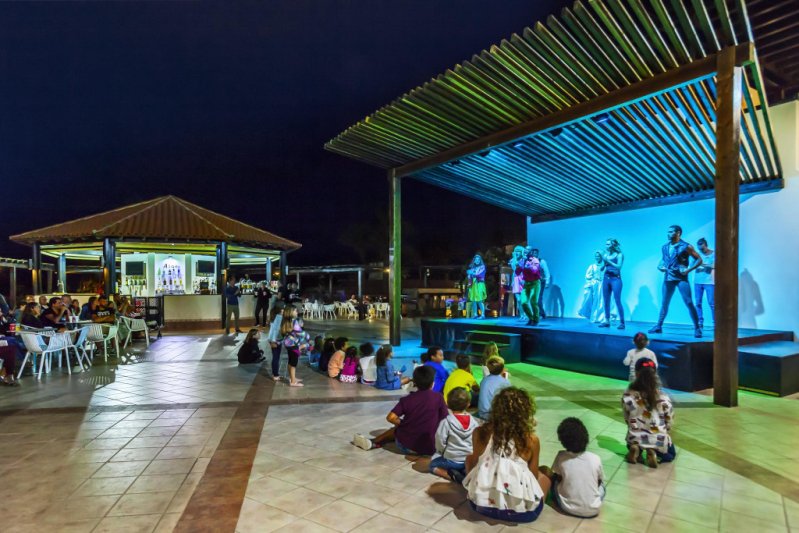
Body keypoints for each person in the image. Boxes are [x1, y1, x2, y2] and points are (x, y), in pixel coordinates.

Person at [464, 387, 550, 523]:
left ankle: (476, 492)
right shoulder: (531, 440)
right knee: (544, 478)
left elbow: (474, 464)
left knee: (470, 458)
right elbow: (533, 476)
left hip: (480, 506)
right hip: (523, 514)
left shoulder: (480, 432)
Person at [352, 365, 448, 455]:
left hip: (405, 447)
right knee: (403, 430)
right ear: (432, 383)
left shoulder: (407, 399)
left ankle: (374, 442)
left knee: (397, 430)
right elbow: (445, 419)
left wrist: (404, 424)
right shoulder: (438, 398)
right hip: (430, 448)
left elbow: (391, 417)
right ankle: (376, 442)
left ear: (415, 382)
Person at [543, 418, 605, 518]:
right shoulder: (595, 458)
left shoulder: (561, 457)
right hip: (594, 509)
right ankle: (589, 500)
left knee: (554, 480)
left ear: (563, 441)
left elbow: (557, 478)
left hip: (567, 508)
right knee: (602, 486)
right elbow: (598, 482)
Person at [649, 225, 703, 338]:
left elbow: (699, 259)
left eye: (671, 232)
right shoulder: (664, 247)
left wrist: (688, 270)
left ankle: (697, 328)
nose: (668, 234)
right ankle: (658, 326)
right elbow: (663, 260)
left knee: (688, 302)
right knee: (664, 302)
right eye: (667, 232)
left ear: (678, 233)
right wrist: (659, 266)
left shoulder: (686, 246)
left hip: (681, 278)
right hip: (668, 278)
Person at [622, 358, 676, 468]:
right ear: (655, 374)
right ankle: (654, 452)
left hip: (635, 436)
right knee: (671, 454)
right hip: (658, 438)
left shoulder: (628, 395)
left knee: (634, 438)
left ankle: (636, 449)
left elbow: (627, 418)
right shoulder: (663, 397)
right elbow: (669, 419)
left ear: (636, 374)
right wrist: (666, 429)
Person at [430, 388, 478, 483]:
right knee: (463, 466)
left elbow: (440, 440)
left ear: (447, 403)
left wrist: (441, 452)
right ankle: (464, 472)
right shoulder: (474, 422)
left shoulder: (446, 422)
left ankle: (452, 476)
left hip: (452, 459)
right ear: (468, 404)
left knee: (432, 465)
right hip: (468, 460)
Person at [599, 238, 625, 330]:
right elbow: (603, 267)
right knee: (606, 301)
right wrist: (602, 265)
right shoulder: (606, 255)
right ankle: (606, 321)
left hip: (616, 279)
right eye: (606, 244)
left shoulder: (619, 255)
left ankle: (622, 322)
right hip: (606, 279)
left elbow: (619, 267)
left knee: (617, 300)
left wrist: (608, 261)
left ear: (613, 245)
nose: (606, 246)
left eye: (608, 244)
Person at [280, 305, 309, 387]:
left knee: (290, 361)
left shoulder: (285, 320)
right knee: (293, 363)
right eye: (295, 311)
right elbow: (300, 332)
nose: (297, 312)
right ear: (291, 312)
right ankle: (293, 382)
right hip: (293, 344)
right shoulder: (294, 321)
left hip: (288, 344)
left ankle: (292, 378)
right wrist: (307, 337)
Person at [478, 356, 511, 420]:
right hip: (494, 415)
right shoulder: (505, 382)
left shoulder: (484, 380)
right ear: (502, 369)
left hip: (482, 413)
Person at [516, 248, 542, 326]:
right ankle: (531, 318)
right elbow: (517, 273)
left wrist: (528, 265)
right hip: (526, 284)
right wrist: (519, 266)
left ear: (530, 252)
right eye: (524, 251)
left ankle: (536, 319)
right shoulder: (522, 261)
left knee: (533, 301)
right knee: (523, 302)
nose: (525, 252)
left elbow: (535, 270)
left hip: (535, 283)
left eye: (527, 251)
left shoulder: (535, 260)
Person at [578, 252, 605, 323]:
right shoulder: (592, 266)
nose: (597, 258)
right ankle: (594, 317)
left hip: (603, 284)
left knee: (602, 301)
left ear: (601, 257)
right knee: (595, 300)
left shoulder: (604, 266)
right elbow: (588, 276)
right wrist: (591, 282)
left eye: (598, 256)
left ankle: (602, 317)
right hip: (595, 285)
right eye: (596, 256)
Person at [694, 238, 715, 329]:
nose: (701, 250)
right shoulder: (697, 254)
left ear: (706, 246)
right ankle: (700, 322)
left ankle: (715, 323)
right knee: (698, 303)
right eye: (699, 249)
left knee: (712, 303)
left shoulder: (714, 254)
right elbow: (691, 265)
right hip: (697, 282)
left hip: (709, 282)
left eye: (702, 248)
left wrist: (701, 264)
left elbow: (714, 266)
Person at [265, 304, 284, 381]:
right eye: (282, 309)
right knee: (276, 357)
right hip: (275, 339)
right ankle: (275, 374)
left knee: (276, 356)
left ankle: (275, 373)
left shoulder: (273, 317)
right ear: (279, 310)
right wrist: (273, 341)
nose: (284, 310)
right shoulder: (279, 317)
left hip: (273, 339)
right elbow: (275, 330)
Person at [466, 254, 487, 319]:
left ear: (480, 260)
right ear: (474, 260)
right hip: (473, 285)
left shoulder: (482, 267)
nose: (477, 260)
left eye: (478, 259)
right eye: (476, 259)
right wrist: (469, 276)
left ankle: (483, 315)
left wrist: (471, 273)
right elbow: (469, 277)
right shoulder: (472, 268)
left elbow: (479, 274)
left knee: (479, 300)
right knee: (473, 300)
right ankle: (475, 314)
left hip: (479, 284)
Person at [532, 249, 549, 320]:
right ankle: (539, 313)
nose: (534, 254)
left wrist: (547, 282)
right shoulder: (530, 262)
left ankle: (541, 314)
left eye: (535, 253)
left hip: (540, 282)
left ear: (537, 254)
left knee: (538, 299)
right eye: (532, 253)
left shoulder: (542, 261)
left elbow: (546, 272)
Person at [508, 246, 525, 320]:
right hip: (516, 280)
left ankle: (526, 315)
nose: (517, 253)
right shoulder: (513, 261)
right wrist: (512, 281)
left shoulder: (524, 260)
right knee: (518, 300)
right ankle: (522, 315)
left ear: (522, 253)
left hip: (523, 279)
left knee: (524, 299)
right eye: (516, 251)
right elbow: (514, 272)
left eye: (519, 251)